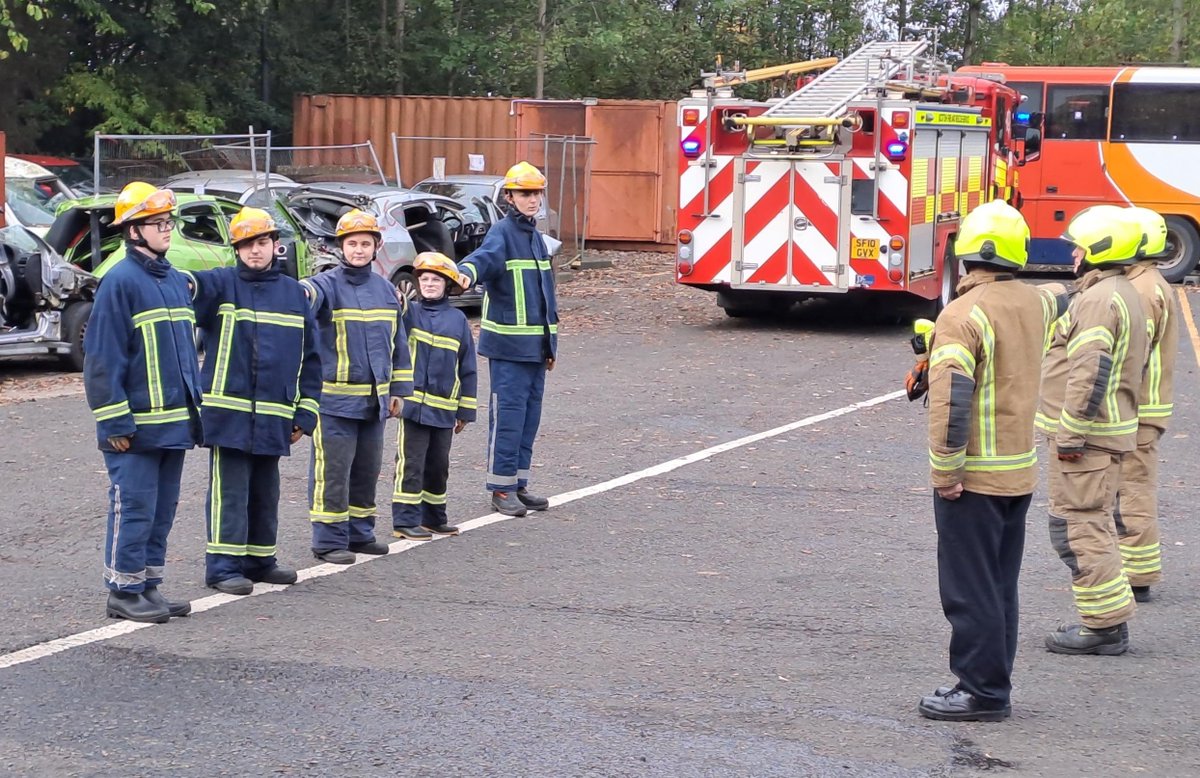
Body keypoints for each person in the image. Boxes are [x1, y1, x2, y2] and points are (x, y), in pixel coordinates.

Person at [915, 201, 1065, 722]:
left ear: (966, 252)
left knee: (968, 588)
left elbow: (953, 399)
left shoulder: (961, 314)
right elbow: (1061, 295)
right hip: (1018, 473)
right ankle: (993, 681)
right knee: (999, 585)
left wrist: (946, 472)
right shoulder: (1033, 303)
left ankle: (980, 691)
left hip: (975, 476)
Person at [185, 207, 322, 594]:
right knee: (230, 492)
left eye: (261, 242)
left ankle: (261, 561)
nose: (254, 251)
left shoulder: (294, 294)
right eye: (246, 245)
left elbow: (312, 358)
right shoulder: (221, 285)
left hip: (276, 415)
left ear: (275, 245)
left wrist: (306, 410)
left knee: (265, 490)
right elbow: (185, 286)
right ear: (236, 249)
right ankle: (223, 567)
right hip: (228, 416)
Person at [83, 182, 202, 623]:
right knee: (133, 505)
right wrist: (114, 421)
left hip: (173, 424)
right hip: (133, 427)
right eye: (158, 223)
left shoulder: (172, 280)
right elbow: (102, 359)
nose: (167, 230)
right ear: (133, 231)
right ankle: (123, 590)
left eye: (169, 222)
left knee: (161, 508)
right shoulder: (119, 282)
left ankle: (148, 585)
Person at [1037, 205, 1148, 655]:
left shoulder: (1100, 300)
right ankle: (1109, 620)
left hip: (1088, 440)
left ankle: (1103, 628)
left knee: (1078, 528)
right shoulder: (1117, 291)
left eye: (1080, 246)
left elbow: (1090, 369)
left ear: (1101, 249)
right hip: (1103, 434)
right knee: (1089, 525)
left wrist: (1071, 434)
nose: (1075, 254)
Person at [301, 209, 412, 563]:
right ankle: (329, 539)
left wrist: (398, 390)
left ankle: (360, 533)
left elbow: (399, 343)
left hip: (374, 403)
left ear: (376, 247)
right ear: (341, 247)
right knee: (332, 473)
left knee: (365, 471)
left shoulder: (385, 290)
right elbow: (306, 295)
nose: (359, 250)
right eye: (352, 243)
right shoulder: (326, 285)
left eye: (365, 243)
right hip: (333, 404)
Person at [457, 161, 558, 517]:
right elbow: (481, 259)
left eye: (536, 193)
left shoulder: (535, 237)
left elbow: (546, 296)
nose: (532, 200)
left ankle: (518, 483)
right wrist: (464, 274)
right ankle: (501, 488)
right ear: (510, 197)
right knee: (509, 416)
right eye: (525, 193)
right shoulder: (501, 232)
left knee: (529, 418)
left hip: (534, 348)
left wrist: (550, 347)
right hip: (509, 349)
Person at [1115, 207, 1179, 602]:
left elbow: (1130, 355)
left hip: (1138, 410)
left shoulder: (1140, 290)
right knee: (1132, 488)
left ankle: (1137, 575)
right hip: (1148, 407)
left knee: (1133, 490)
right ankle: (1135, 567)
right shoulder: (1153, 281)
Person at [391, 252, 478, 540]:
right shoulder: (410, 313)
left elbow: (467, 367)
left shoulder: (458, 320)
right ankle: (405, 519)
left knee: (438, 465)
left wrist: (465, 410)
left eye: (436, 279)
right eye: (424, 279)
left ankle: (434, 518)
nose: (429, 284)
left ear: (448, 285)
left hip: (444, 409)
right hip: (413, 407)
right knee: (411, 463)